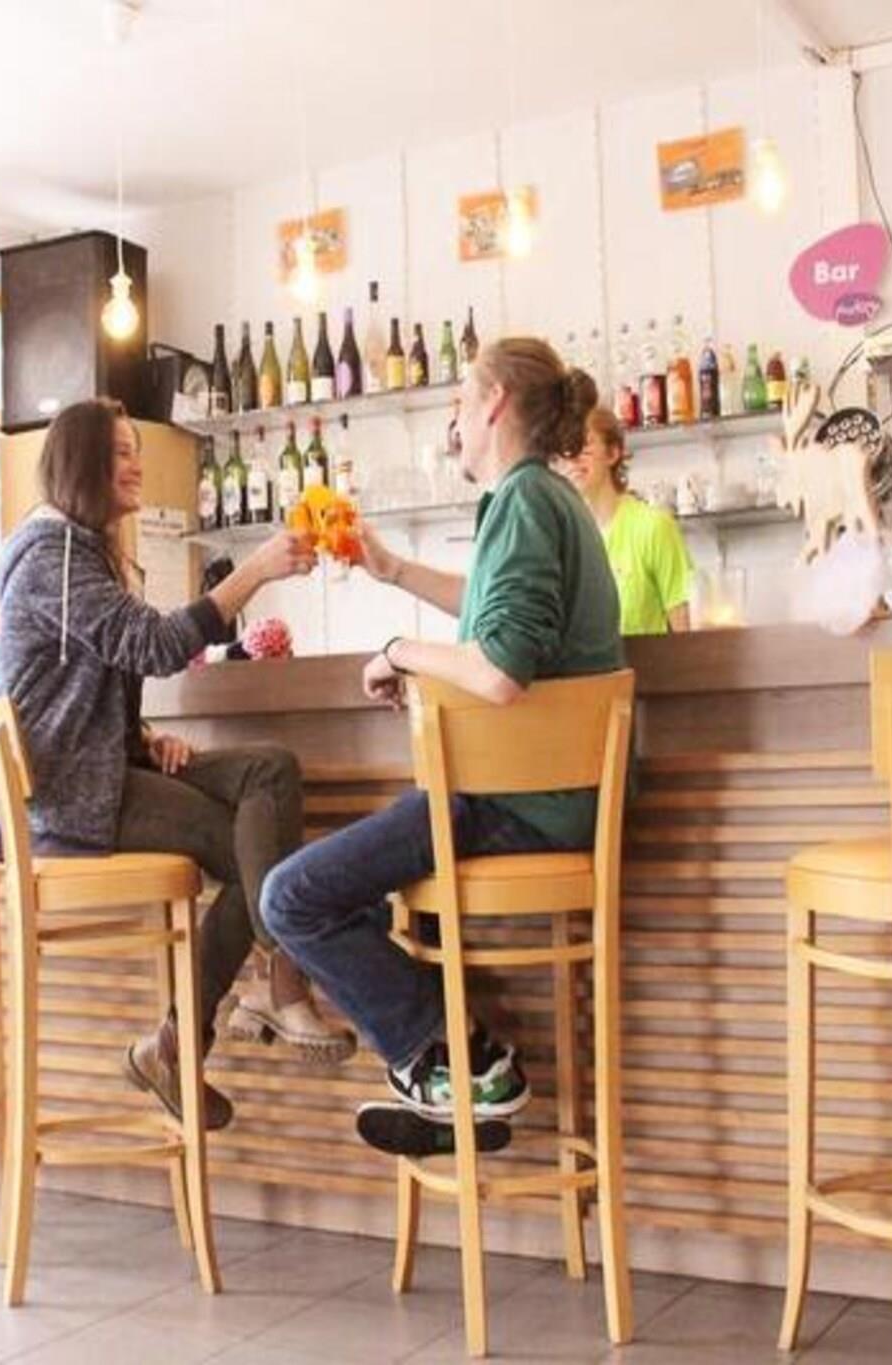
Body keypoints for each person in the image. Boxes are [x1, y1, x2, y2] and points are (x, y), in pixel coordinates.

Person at [260, 339, 623, 1156]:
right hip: (534, 799)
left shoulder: (525, 501)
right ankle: (451, 1064)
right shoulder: (540, 498)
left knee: (292, 899)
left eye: (460, 398)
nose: (452, 418)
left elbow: (500, 667)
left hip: (520, 804)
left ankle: (464, 1062)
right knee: (344, 899)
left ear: (495, 402)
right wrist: (392, 570)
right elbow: (492, 608)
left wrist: (399, 652)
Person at [0, 400, 350, 1133]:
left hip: (104, 772)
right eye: (122, 452)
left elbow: (80, 677)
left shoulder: (77, 551)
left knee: (270, 773)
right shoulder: (54, 556)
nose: (137, 466)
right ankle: (266, 984)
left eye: (136, 450)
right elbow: (154, 646)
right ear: (82, 464)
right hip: (74, 800)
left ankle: (208, 1022)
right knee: (258, 855)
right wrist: (255, 571)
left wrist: (143, 734)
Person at [552, 406, 694, 635]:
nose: (573, 458)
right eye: (565, 450)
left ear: (613, 453)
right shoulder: (561, 542)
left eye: (584, 445)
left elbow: (687, 634)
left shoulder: (654, 527)